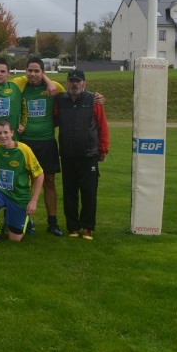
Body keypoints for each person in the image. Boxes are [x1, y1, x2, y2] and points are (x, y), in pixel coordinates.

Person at [53, 70, 109, 241]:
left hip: (89, 154)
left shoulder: (93, 100)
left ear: (84, 83)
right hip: (68, 154)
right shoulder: (60, 101)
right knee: (69, 193)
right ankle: (73, 227)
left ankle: (87, 227)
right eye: (72, 81)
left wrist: (103, 149)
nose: (75, 84)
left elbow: (102, 126)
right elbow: (53, 121)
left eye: (78, 81)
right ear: (67, 82)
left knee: (89, 193)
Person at [0, 120, 44, 244]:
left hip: (19, 195)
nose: (3, 136)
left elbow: (40, 175)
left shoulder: (24, 150)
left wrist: (33, 201)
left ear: (12, 133)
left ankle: (27, 220)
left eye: (6, 132)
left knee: (14, 239)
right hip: (0, 192)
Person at [18, 58, 67, 237]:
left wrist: (47, 81)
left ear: (43, 73)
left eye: (37, 71)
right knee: (25, 183)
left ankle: (52, 222)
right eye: (30, 70)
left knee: (49, 182)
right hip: (26, 143)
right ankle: (25, 221)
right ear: (26, 72)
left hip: (46, 141)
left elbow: (65, 90)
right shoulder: (21, 88)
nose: (33, 74)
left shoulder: (52, 89)